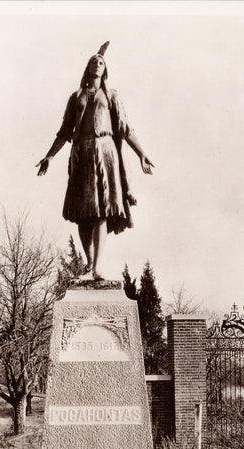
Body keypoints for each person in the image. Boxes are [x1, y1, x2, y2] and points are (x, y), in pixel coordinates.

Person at [36, 42, 154, 280]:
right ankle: (89, 264)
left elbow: (125, 128)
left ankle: (98, 266)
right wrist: (50, 155)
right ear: (87, 67)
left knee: (101, 211)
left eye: (101, 62)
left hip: (105, 152)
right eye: (93, 61)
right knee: (82, 213)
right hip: (81, 154)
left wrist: (141, 153)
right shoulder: (75, 97)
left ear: (105, 69)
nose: (97, 65)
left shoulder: (111, 96)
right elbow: (64, 132)